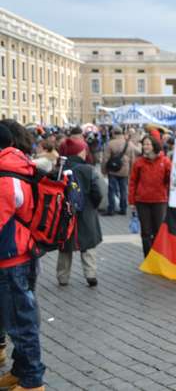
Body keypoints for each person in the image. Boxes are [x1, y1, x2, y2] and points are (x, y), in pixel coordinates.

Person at [0, 122, 46, 391]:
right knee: (19, 318)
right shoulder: (16, 165)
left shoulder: (6, 174)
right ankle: (20, 372)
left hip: (12, 258)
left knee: (21, 323)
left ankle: (32, 382)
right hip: (20, 253)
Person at [56, 138, 104, 287]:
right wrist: (93, 206)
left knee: (65, 245)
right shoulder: (88, 169)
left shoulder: (59, 168)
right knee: (88, 244)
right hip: (86, 211)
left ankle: (63, 276)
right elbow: (99, 192)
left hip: (65, 212)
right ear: (79, 151)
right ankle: (90, 274)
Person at [128, 135, 172, 258]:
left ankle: (158, 257)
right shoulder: (139, 162)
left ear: (154, 146)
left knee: (158, 231)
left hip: (159, 200)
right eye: (144, 144)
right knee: (146, 232)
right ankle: (148, 257)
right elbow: (132, 182)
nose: (145, 146)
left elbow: (171, 180)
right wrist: (131, 201)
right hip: (142, 201)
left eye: (148, 144)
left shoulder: (165, 161)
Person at [102, 126, 134, 216]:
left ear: (113, 133)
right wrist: (131, 171)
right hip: (125, 170)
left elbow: (105, 159)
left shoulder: (110, 144)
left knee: (111, 190)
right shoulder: (129, 144)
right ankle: (123, 208)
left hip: (113, 170)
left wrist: (103, 170)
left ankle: (111, 209)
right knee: (123, 190)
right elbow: (132, 159)